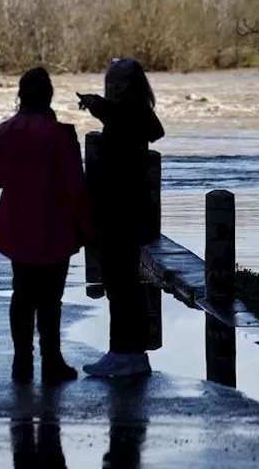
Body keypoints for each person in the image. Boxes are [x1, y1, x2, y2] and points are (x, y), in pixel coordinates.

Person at [0, 67, 91, 385]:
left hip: (17, 223)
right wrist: (86, 227)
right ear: (50, 95)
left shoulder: (3, 132)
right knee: (50, 299)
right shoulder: (60, 135)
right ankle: (51, 360)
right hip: (56, 224)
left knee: (22, 293)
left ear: (20, 95)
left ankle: (22, 360)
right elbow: (75, 187)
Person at [78, 58, 165, 378]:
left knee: (121, 284)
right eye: (111, 80)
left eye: (122, 80)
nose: (114, 85)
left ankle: (124, 352)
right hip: (120, 211)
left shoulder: (131, 112)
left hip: (121, 213)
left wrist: (99, 106)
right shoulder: (128, 112)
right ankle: (130, 352)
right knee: (121, 284)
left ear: (134, 83)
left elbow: (143, 127)